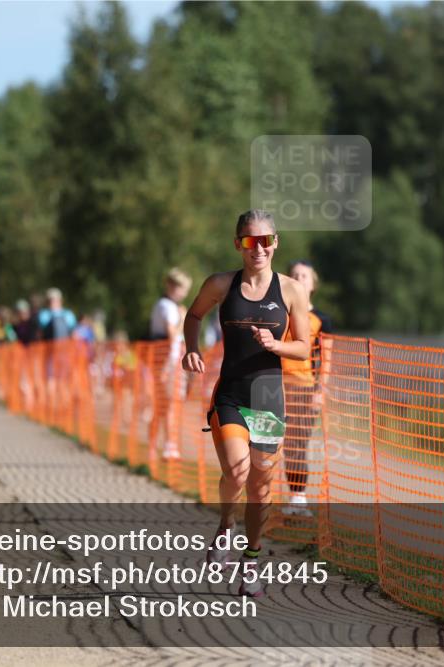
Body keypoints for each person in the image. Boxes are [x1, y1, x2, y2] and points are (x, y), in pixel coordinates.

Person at [182, 209, 310, 597]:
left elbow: (304, 348)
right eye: (250, 241)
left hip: (269, 398)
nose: (259, 249)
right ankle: (225, 527)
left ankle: (252, 560)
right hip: (232, 394)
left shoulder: (290, 290)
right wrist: (191, 349)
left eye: (266, 240)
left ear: (276, 243)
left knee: (261, 486)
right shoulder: (221, 284)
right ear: (238, 244)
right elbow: (193, 315)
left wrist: (276, 345)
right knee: (237, 471)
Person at [281, 260, 334, 516]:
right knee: (270, 443)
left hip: (305, 388)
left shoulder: (322, 320)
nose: (299, 278)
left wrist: (320, 390)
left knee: (297, 443)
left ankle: (298, 498)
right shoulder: (278, 312)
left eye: (304, 275)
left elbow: (327, 358)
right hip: (275, 386)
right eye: (294, 275)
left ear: (313, 284)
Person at [150, 268, 192, 460]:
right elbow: (172, 334)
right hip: (167, 360)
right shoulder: (167, 306)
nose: (183, 293)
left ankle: (156, 444)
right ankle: (169, 445)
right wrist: (183, 318)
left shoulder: (165, 305)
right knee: (168, 404)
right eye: (181, 288)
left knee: (165, 405)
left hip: (170, 359)